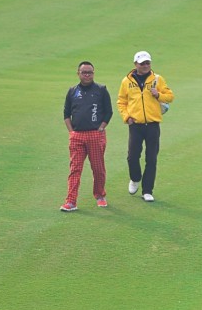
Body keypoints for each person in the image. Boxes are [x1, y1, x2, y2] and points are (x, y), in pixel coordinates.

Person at [117, 50, 174, 202]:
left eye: (148, 63)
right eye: (142, 63)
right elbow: (121, 101)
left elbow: (170, 96)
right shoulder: (126, 81)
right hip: (135, 124)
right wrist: (126, 117)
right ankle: (135, 178)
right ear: (136, 64)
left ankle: (147, 190)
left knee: (152, 158)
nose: (146, 66)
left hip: (153, 125)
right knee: (132, 156)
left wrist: (158, 95)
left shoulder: (157, 79)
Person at [60, 61, 113, 212]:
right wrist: (71, 132)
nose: (87, 75)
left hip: (95, 135)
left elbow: (108, 112)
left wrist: (101, 127)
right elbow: (66, 114)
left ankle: (100, 195)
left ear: (93, 73)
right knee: (75, 169)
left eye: (90, 72)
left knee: (98, 168)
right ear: (78, 74)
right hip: (77, 136)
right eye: (84, 72)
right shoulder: (72, 91)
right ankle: (71, 201)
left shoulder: (101, 90)